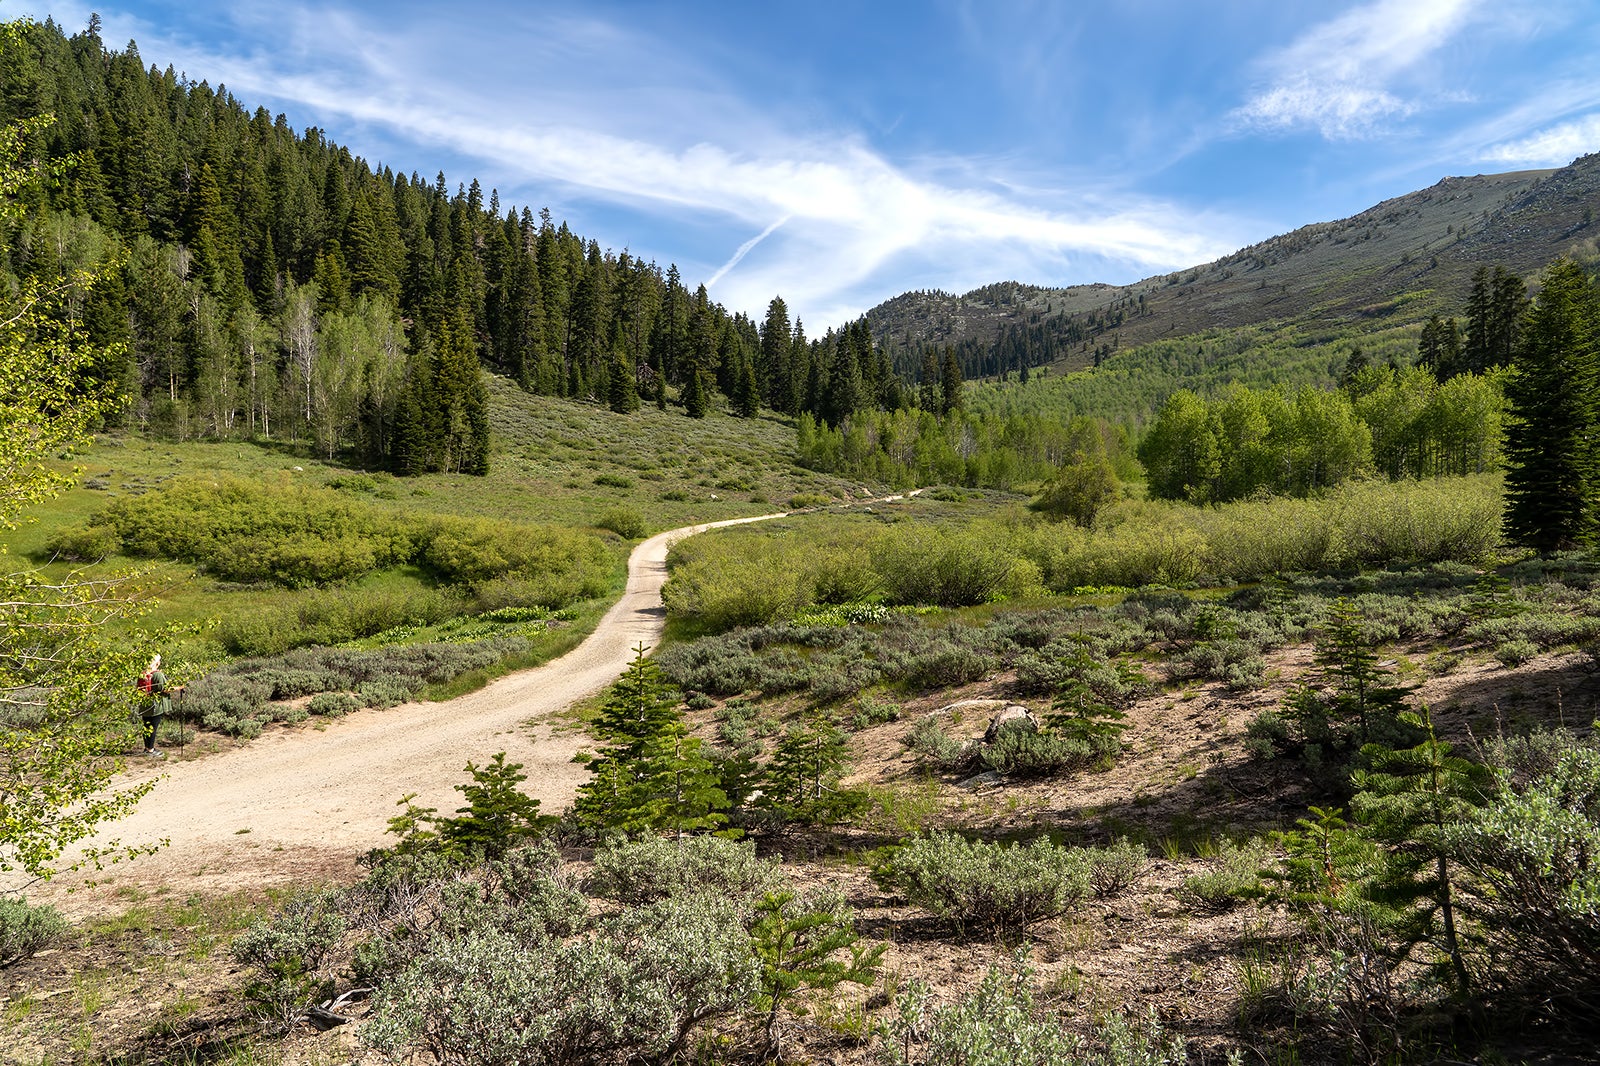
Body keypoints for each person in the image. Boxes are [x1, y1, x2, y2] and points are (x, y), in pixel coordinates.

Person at [137, 654, 180, 759]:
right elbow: (164, 688)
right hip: (156, 705)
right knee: (153, 727)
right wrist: (179, 687)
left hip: (144, 704)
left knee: (146, 726)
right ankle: (150, 750)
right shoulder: (158, 675)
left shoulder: (142, 674)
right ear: (157, 663)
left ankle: (147, 748)